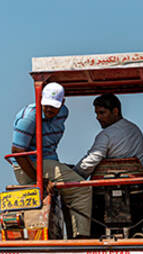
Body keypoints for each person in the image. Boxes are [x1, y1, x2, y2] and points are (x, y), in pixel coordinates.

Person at [10, 82, 92, 237]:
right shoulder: (29, 117)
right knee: (82, 189)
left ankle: (68, 230)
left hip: (48, 161)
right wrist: (40, 179)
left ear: (63, 103)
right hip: (29, 163)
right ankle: (81, 238)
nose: (49, 109)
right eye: (46, 105)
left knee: (75, 177)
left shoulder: (63, 113)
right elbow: (17, 152)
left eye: (53, 106)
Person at [75, 94, 143, 177]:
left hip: (111, 185)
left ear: (115, 111)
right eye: (97, 113)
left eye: (102, 113)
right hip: (139, 183)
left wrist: (73, 175)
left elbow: (91, 161)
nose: (98, 117)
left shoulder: (106, 134)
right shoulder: (135, 129)